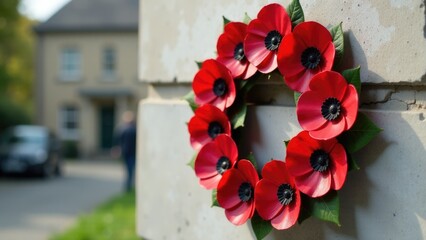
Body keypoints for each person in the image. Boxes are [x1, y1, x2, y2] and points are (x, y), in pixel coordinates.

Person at [112, 111, 137, 192]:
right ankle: (128, 185)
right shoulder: (134, 129)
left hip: (126, 152)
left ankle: (128, 185)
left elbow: (117, 141)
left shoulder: (122, 129)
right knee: (130, 170)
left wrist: (116, 149)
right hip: (131, 153)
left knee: (128, 169)